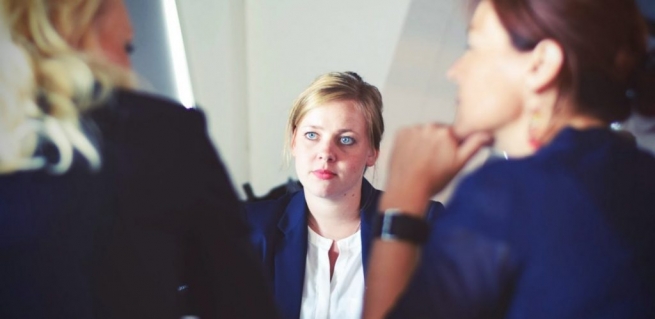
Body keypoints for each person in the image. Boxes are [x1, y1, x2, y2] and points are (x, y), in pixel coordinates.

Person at [363, 0, 655, 318]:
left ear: (540, 65)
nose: (455, 71)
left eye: (472, 46)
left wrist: (405, 192)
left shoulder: (507, 194)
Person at [0, 0, 278, 318]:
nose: (129, 68)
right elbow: (243, 304)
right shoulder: (161, 134)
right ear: (77, 26)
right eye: (127, 47)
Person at [244, 71, 444, 319]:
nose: (325, 153)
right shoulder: (250, 229)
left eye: (346, 140)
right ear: (294, 141)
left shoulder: (423, 224)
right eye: (312, 135)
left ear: (372, 152)